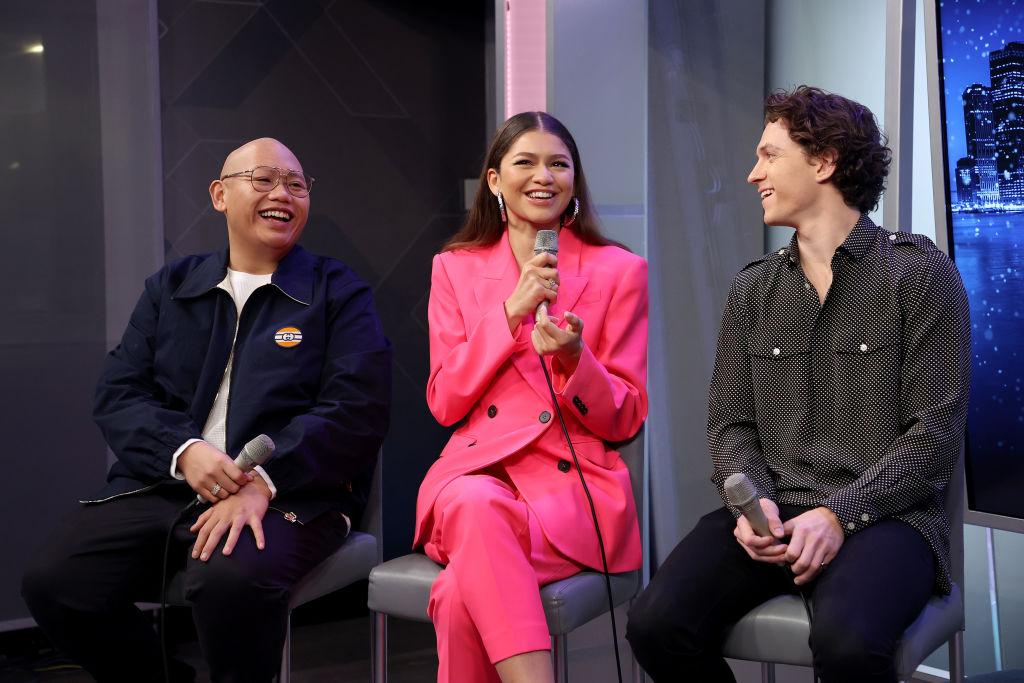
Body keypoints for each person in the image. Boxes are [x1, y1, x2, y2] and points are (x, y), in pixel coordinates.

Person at [626, 86, 971, 682]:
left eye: (769, 155)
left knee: (847, 645)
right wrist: (749, 504)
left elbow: (933, 434)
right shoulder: (753, 289)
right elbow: (729, 423)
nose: (751, 173)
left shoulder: (919, 273)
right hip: (774, 515)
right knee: (655, 625)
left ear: (823, 160)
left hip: (888, 519)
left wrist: (840, 514)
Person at [21, 138, 392, 683]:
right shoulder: (172, 287)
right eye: (263, 179)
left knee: (227, 578)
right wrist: (186, 452)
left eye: (296, 183)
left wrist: (263, 478)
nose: (282, 193)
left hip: (293, 492)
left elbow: (357, 408)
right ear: (220, 195)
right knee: (55, 579)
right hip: (169, 486)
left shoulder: (338, 292)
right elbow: (119, 391)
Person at [413, 111, 648, 683]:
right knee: (474, 501)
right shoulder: (455, 269)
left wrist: (575, 358)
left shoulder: (619, 271)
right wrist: (509, 314)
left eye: (558, 164)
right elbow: (444, 402)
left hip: (570, 493)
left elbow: (625, 416)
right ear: (494, 180)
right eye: (525, 162)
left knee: (455, 592)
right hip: (475, 475)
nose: (543, 176)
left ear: (574, 179)